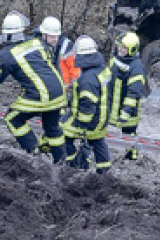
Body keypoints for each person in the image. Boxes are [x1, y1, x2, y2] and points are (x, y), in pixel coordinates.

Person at [0, 11, 67, 162]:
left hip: (41, 95)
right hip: (59, 94)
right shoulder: (36, 43)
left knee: (12, 118)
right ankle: (61, 161)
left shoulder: (5, 56)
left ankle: (34, 154)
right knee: (53, 128)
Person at [62, 35, 113, 174]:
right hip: (102, 118)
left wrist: (80, 124)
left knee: (62, 131)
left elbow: (87, 105)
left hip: (90, 122)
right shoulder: (103, 69)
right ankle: (104, 170)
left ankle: (72, 165)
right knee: (98, 141)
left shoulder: (87, 79)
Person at [109, 31, 145, 161]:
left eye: (124, 48)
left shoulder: (136, 68)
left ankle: (132, 156)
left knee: (129, 133)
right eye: (119, 46)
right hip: (112, 105)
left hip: (128, 111)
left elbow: (133, 94)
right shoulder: (114, 60)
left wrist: (125, 113)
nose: (120, 50)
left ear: (132, 49)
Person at [35, 16, 80, 86]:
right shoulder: (34, 45)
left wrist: (73, 87)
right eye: (52, 36)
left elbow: (75, 70)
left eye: (57, 36)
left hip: (65, 88)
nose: (55, 39)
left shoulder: (66, 46)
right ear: (43, 34)